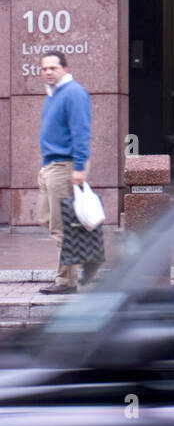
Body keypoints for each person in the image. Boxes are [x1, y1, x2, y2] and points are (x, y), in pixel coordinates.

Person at [37, 52, 97, 295]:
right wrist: (43, 165)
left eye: (53, 67)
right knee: (46, 218)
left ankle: (66, 281)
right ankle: (87, 253)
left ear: (65, 68)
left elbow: (81, 132)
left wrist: (80, 167)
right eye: (45, 68)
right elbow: (51, 133)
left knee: (61, 226)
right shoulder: (53, 94)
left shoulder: (74, 93)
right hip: (52, 165)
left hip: (66, 166)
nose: (49, 72)